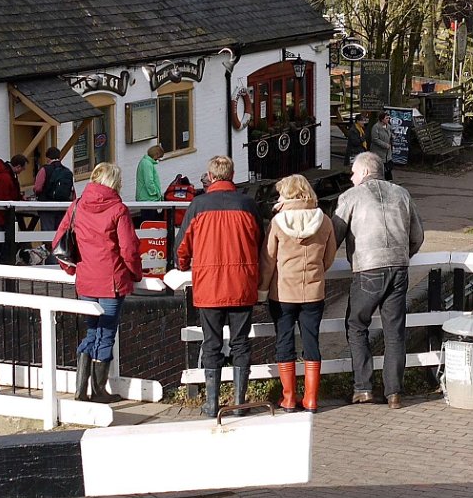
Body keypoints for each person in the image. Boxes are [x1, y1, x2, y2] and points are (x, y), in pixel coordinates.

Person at [334, 151, 425, 408]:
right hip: (399, 267)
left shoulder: (351, 197)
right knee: (394, 331)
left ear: (364, 171)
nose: (351, 177)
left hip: (368, 268)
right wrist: (404, 255)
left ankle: (363, 387)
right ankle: (394, 392)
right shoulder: (402, 194)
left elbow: (334, 235)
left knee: (356, 324)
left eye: (353, 172)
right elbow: (418, 236)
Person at [177, 155, 264, 418]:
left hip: (210, 285)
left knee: (211, 344)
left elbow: (182, 246)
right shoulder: (248, 204)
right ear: (232, 175)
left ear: (211, 176)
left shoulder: (198, 205)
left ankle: (212, 404)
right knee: (241, 343)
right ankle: (238, 403)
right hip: (241, 284)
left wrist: (182, 265)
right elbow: (259, 241)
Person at [54, 162, 138, 404]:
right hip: (111, 281)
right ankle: (99, 391)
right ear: (114, 183)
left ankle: (81, 390)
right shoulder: (118, 209)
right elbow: (129, 249)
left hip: (86, 280)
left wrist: (71, 268)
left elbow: (59, 241)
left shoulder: (77, 205)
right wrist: (135, 274)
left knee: (93, 331)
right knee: (106, 334)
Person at [262, 173, 337, 413]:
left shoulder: (277, 222)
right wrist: (316, 272)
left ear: (287, 194)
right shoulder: (324, 220)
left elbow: (268, 260)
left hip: (282, 293)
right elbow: (329, 257)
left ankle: (289, 398)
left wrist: (262, 289)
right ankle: (311, 399)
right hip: (313, 292)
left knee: (284, 341)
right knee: (311, 341)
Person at [33, 145, 75, 233]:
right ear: (59, 157)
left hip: (47, 206)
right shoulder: (67, 171)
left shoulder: (44, 169)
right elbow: (72, 191)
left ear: (48, 158)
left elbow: (38, 188)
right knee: (60, 232)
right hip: (62, 206)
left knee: (47, 232)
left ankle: (48, 243)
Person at [135, 143, 164, 224]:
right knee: (149, 221)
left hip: (146, 197)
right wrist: (156, 193)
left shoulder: (145, 162)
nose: (158, 159)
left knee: (148, 221)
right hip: (148, 198)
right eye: (159, 157)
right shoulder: (147, 164)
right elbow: (149, 181)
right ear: (156, 155)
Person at [368, 111, 394, 181]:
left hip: (387, 153)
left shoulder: (388, 126)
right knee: (379, 168)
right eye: (386, 118)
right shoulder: (376, 127)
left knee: (388, 168)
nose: (388, 120)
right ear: (382, 119)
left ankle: (389, 181)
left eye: (388, 118)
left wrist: (392, 136)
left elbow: (390, 133)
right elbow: (375, 139)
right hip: (378, 152)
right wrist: (385, 145)